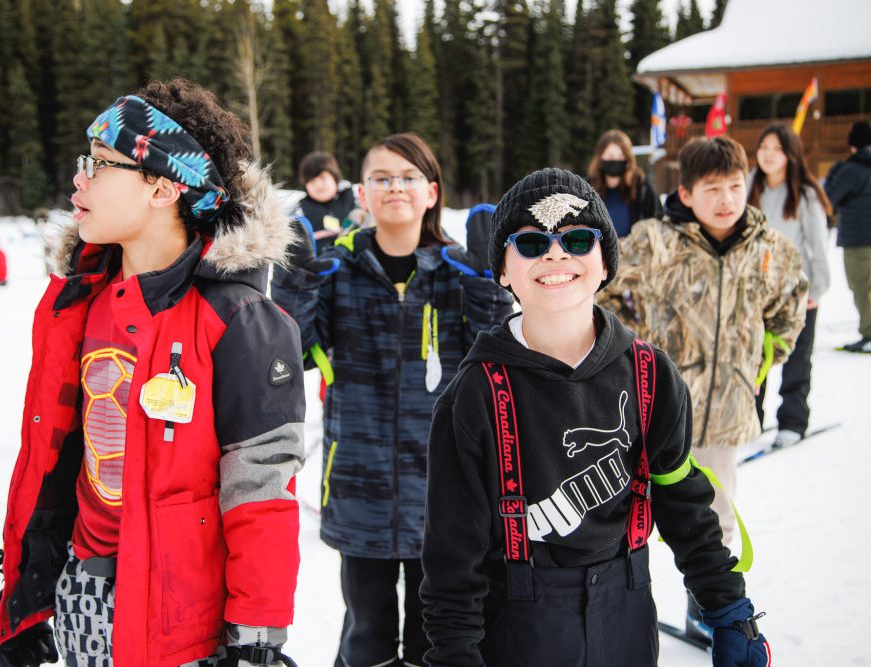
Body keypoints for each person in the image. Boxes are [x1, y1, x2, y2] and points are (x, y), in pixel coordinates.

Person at [0, 79, 305, 667]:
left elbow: (260, 489)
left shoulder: (240, 319)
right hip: (83, 590)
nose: (79, 180)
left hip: (181, 617)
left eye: (99, 165)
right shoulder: (80, 299)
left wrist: (256, 636)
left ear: (163, 186)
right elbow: (51, 458)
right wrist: (27, 585)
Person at [421, 167, 772, 667]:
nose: (555, 254)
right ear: (502, 271)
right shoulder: (474, 396)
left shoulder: (650, 374)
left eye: (579, 239)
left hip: (626, 612)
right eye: (529, 244)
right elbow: (452, 559)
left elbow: (685, 505)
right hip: (518, 627)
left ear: (605, 261)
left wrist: (727, 607)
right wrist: (453, 656)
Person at [271, 133, 513, 667]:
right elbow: (294, 357)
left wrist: (493, 296)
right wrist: (292, 291)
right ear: (363, 191)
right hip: (360, 484)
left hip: (446, 489)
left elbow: (501, 367)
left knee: (440, 635)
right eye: (381, 177)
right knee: (366, 635)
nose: (394, 187)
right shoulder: (337, 268)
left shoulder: (462, 269)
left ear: (432, 191)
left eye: (407, 177)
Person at [599, 136, 807, 642]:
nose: (727, 199)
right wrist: (626, 354)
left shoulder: (769, 248)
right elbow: (600, 291)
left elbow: (791, 307)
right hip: (653, 411)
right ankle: (611, 610)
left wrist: (759, 363)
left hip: (728, 412)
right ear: (686, 194)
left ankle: (706, 608)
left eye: (735, 186)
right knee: (625, 516)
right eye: (712, 188)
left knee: (713, 520)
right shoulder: (654, 241)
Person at [748, 124, 832, 447]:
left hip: (797, 295)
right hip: (757, 293)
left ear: (789, 155)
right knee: (755, 358)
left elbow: (818, 247)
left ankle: (793, 420)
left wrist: (817, 290)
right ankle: (751, 419)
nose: (768, 155)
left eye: (776, 149)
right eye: (763, 147)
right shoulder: (750, 186)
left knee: (797, 358)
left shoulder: (805, 194)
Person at [824, 119, 871, 353]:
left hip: (859, 239)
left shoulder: (851, 169)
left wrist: (834, 173)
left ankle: (869, 333)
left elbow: (828, 198)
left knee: (862, 287)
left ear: (853, 144)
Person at [587, 129, 662, 237]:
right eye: (610, 156)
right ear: (600, 156)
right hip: (600, 251)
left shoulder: (641, 187)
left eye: (621, 156)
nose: (615, 160)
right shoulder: (588, 188)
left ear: (628, 158)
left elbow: (658, 218)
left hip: (634, 251)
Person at [295, 151, 360, 251]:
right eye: (312, 180)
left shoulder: (355, 196)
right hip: (321, 261)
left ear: (334, 177)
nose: (318, 185)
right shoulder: (300, 211)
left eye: (322, 178)